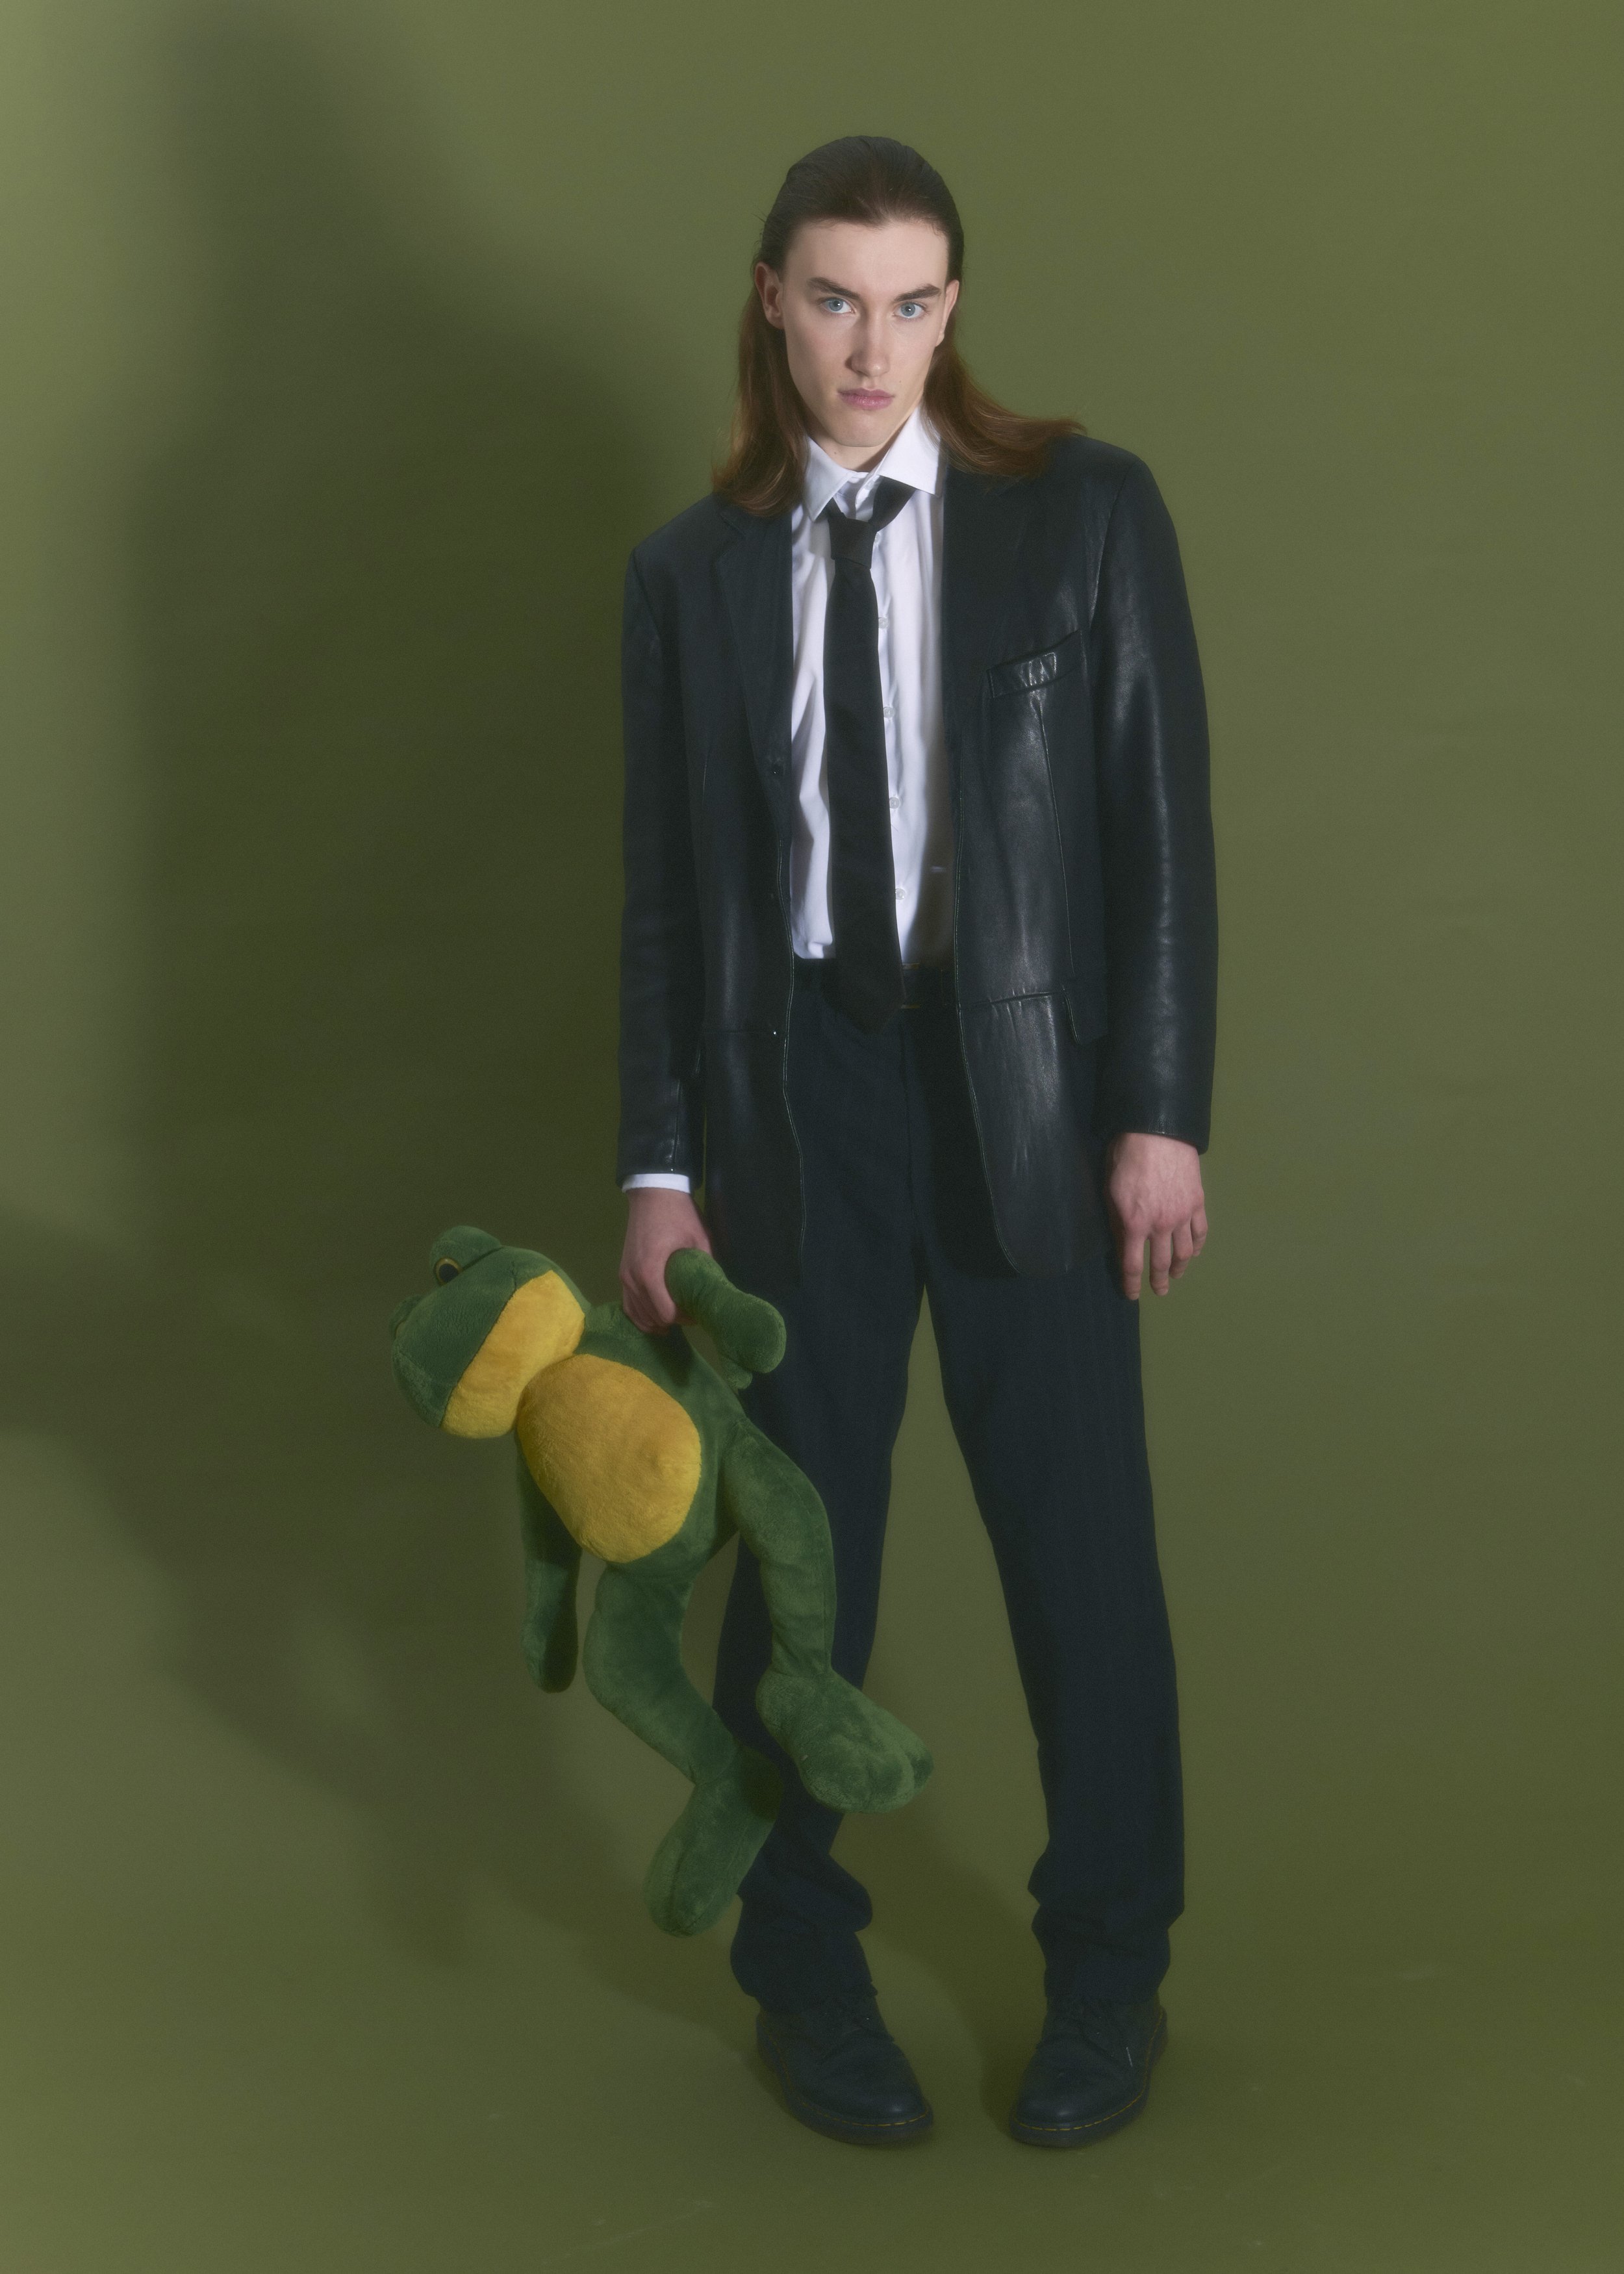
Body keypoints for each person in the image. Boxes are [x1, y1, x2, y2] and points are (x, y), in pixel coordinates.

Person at [614, 135, 1217, 2149]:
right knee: (802, 1575)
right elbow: (663, 901)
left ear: (949, 311)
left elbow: (1157, 839)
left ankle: (1109, 1972)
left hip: (1024, 1084)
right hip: (801, 1100)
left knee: (1082, 1559)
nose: (871, 348)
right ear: (770, 302)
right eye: (832, 300)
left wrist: (1156, 1113)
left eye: (909, 303)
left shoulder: (1083, 517)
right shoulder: (688, 577)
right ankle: (803, 1974)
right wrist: (656, 1167)